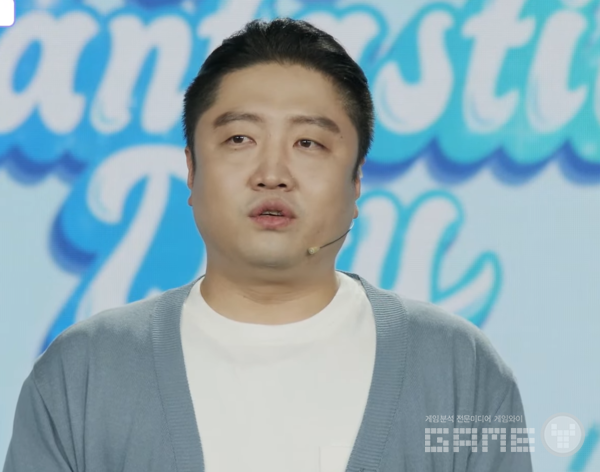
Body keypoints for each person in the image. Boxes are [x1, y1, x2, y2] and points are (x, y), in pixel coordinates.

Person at [3, 17, 533, 472]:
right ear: (191, 170)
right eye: (240, 139)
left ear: (356, 182)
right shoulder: (85, 372)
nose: (273, 173)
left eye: (309, 142)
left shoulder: (458, 369)